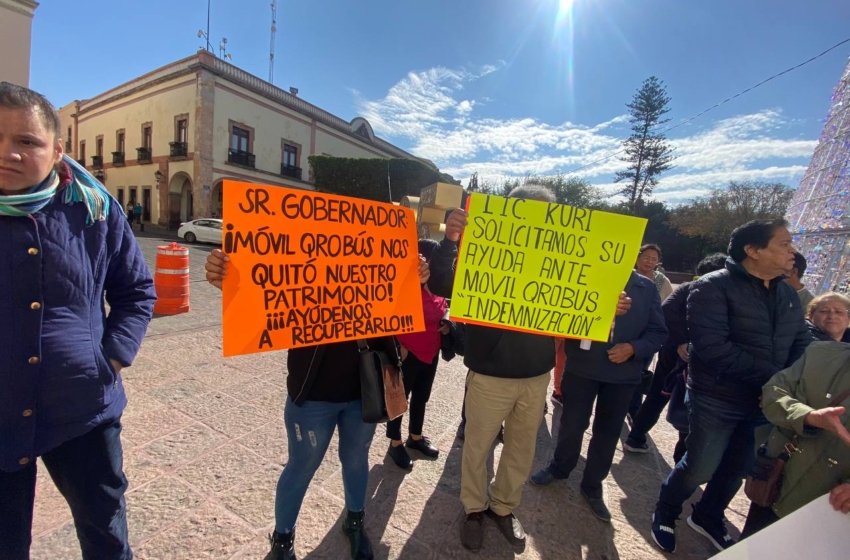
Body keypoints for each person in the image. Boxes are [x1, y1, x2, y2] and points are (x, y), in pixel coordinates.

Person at [428, 184, 633, 552]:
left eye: (545, 216)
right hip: (490, 374)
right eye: (530, 212)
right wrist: (451, 240)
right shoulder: (485, 253)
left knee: (521, 450)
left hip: (536, 374)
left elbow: (585, 304)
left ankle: (503, 508)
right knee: (477, 447)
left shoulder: (563, 264)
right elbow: (443, 282)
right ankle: (474, 509)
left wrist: (606, 305)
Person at [0, 82, 156, 560]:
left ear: (57, 151)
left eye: (26, 141)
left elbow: (135, 291)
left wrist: (110, 358)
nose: (8, 153)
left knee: (105, 530)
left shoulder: (95, 211)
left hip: (84, 409)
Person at [204, 249, 429, 560]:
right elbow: (266, 299)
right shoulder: (302, 249)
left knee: (356, 459)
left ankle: (354, 521)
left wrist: (414, 279)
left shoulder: (381, 253)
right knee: (301, 466)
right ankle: (282, 540)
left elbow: (400, 310)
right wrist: (232, 283)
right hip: (311, 394)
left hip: (365, 391)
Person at [651, 219, 814, 554]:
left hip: (765, 401)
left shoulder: (786, 293)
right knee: (700, 465)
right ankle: (666, 511)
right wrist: (775, 378)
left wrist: (785, 382)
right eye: (783, 243)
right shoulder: (712, 287)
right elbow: (712, 348)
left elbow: (801, 340)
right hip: (717, 396)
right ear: (752, 251)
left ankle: (708, 517)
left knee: (738, 468)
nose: (792, 250)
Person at [530, 269, 667, 523]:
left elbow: (658, 332)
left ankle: (593, 485)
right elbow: (560, 318)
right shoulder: (583, 276)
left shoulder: (645, 288)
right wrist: (600, 310)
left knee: (608, 432)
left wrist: (633, 348)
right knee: (572, 424)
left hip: (623, 375)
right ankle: (559, 468)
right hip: (582, 367)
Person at [740, 341, 850, 538]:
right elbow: (773, 393)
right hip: (775, 486)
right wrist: (807, 417)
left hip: (829, 515)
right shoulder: (820, 353)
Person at [624, 253, 728, 458]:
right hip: (674, 357)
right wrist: (681, 341)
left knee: (688, 405)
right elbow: (667, 312)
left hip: (701, 360)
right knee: (662, 397)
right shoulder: (690, 289)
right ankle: (638, 438)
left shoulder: (726, 296)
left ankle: (681, 454)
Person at [386, 239, 449, 470]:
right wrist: (396, 345)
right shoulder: (405, 285)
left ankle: (415, 436)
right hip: (407, 352)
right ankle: (395, 443)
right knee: (398, 400)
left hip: (430, 352)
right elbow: (388, 313)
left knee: (421, 396)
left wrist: (446, 324)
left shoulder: (439, 287)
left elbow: (445, 308)